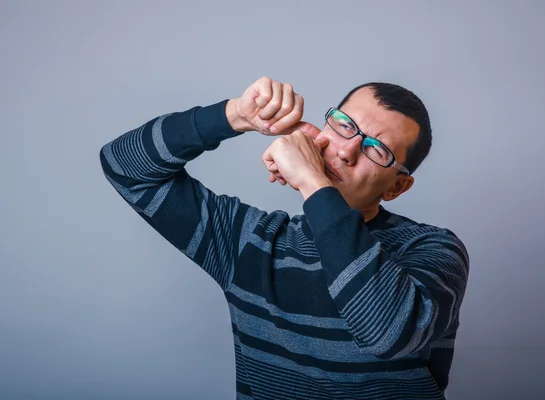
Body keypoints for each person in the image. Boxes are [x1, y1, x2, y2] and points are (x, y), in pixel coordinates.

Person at [100, 76, 469, 400]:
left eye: (377, 149)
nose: (346, 150)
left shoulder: (433, 249)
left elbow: (387, 332)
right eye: (344, 125)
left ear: (398, 187)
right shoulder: (251, 242)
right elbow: (124, 165)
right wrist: (235, 116)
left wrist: (313, 182)